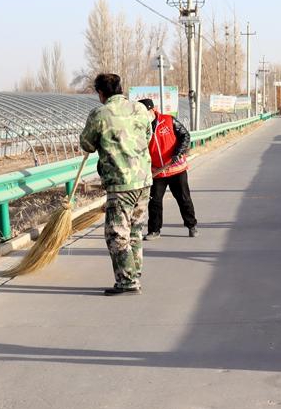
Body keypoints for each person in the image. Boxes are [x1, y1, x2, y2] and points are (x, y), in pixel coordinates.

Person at [80, 73, 153, 296]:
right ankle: (134, 273)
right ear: (121, 88)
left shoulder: (100, 114)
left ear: (101, 93)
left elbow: (87, 144)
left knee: (116, 233)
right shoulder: (140, 109)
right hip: (143, 179)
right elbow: (148, 136)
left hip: (121, 183)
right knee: (135, 229)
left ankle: (127, 281)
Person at [138, 98, 199, 240]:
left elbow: (185, 135)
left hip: (176, 169)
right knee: (154, 201)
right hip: (156, 171)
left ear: (153, 110)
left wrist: (178, 152)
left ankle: (191, 225)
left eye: (144, 112)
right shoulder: (139, 128)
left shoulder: (168, 120)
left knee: (184, 198)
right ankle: (154, 230)